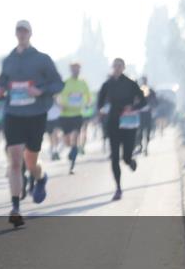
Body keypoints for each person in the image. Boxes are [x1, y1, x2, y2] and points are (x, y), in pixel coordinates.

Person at [0, 20, 64, 227]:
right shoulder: (8, 60)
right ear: (15, 34)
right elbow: (2, 82)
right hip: (13, 113)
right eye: (19, 31)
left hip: (35, 114)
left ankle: (40, 178)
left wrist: (40, 91)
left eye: (25, 31)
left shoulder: (42, 59)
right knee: (15, 161)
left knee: (31, 161)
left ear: (30, 34)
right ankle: (15, 207)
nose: (22, 34)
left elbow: (58, 83)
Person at [97, 58, 146, 201]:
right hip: (113, 122)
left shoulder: (131, 84)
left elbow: (143, 101)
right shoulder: (107, 84)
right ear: (112, 68)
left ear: (124, 67)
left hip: (129, 123)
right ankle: (118, 187)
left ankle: (130, 161)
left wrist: (133, 107)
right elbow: (100, 102)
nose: (117, 68)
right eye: (115, 66)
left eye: (120, 66)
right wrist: (102, 110)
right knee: (114, 157)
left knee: (125, 157)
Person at [59, 62, 91, 174]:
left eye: (77, 69)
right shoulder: (65, 83)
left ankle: (72, 162)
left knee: (76, 137)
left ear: (80, 70)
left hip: (77, 114)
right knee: (67, 141)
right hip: (65, 115)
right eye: (73, 69)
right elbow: (57, 96)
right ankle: (71, 150)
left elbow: (88, 97)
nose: (75, 71)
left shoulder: (83, 83)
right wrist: (60, 105)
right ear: (70, 70)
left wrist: (86, 104)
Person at [136, 76, 158, 156]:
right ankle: (141, 146)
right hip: (140, 114)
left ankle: (146, 147)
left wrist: (151, 106)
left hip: (148, 114)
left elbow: (155, 102)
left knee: (148, 131)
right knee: (140, 131)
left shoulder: (151, 91)